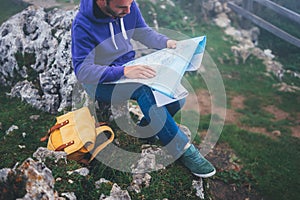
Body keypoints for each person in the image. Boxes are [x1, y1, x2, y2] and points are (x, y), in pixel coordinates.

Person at [71, 0, 216, 178]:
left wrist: (167, 42)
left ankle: (146, 130)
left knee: (177, 95)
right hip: (100, 83)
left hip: (129, 68)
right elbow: (82, 70)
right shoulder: (82, 24)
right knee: (144, 91)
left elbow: (142, 31)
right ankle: (183, 149)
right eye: (122, 7)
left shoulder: (127, 5)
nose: (129, 10)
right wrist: (123, 71)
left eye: (130, 4)